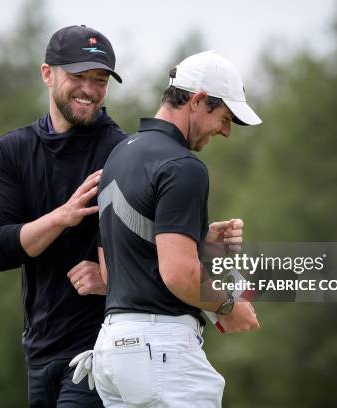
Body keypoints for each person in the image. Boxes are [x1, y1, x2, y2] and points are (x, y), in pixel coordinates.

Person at [92, 50, 261, 407]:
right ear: (198, 101)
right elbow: (178, 274)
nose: (227, 132)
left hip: (112, 352)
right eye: (225, 117)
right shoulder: (184, 166)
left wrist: (197, 241)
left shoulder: (118, 157)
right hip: (161, 351)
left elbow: (113, 270)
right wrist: (230, 306)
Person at [0, 25, 125, 407]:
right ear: (48, 74)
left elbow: (150, 249)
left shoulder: (121, 152)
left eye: (100, 80)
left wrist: (112, 279)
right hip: (40, 350)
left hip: (100, 349)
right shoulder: (13, 150)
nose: (90, 90)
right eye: (78, 76)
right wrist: (62, 217)